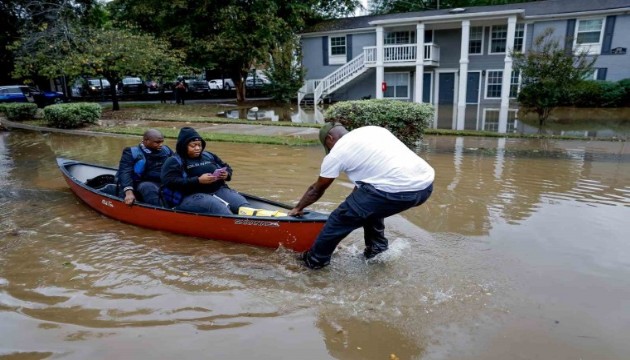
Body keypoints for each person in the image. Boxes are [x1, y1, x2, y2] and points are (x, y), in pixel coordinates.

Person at [289, 122, 435, 269]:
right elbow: (368, 183)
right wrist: (352, 204)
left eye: (328, 146)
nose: (330, 150)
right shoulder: (372, 131)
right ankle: (377, 252)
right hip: (425, 186)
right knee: (369, 209)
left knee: (338, 219)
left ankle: (313, 262)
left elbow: (316, 189)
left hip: (395, 190)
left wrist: (298, 208)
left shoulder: (337, 153)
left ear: (330, 138)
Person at [160, 127, 249, 214]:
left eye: (199, 145)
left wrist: (227, 174)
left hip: (217, 190)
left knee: (243, 204)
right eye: (193, 146)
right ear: (183, 146)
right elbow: (169, 181)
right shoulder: (174, 161)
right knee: (220, 208)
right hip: (190, 196)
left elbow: (226, 166)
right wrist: (198, 180)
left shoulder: (208, 155)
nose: (198, 148)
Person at [117, 129, 174, 206]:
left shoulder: (166, 150)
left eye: (161, 142)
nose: (160, 145)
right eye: (157, 142)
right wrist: (129, 192)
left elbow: (177, 164)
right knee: (148, 187)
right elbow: (125, 172)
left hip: (162, 181)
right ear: (146, 140)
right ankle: (160, 211)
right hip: (141, 183)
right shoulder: (131, 152)